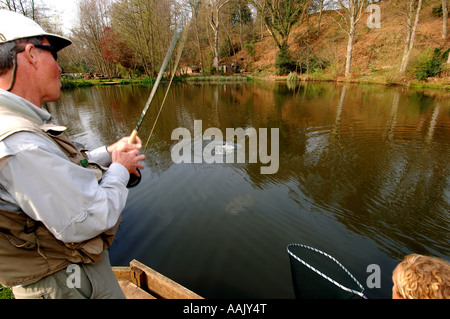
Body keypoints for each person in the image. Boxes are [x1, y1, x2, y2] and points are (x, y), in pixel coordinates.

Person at [0, 10, 145, 299]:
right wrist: (119, 168)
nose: (59, 67)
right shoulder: (19, 142)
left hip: (73, 275)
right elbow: (87, 219)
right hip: (65, 285)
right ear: (30, 54)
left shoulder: (21, 125)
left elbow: (57, 167)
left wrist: (107, 153)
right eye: (53, 54)